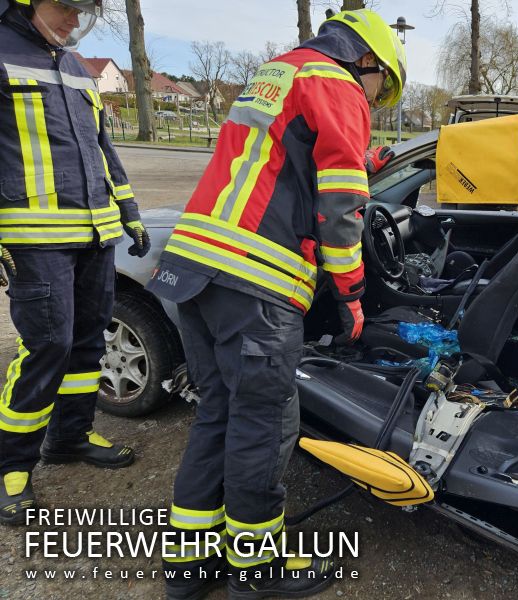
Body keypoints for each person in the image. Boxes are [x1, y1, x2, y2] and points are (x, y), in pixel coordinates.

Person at [145, 9, 406, 599]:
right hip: (254, 281)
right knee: (265, 426)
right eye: (380, 87)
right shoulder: (339, 82)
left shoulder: (277, 73)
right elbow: (342, 210)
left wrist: (360, 162)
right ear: (367, 60)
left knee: (219, 413)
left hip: (192, 264)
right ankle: (258, 576)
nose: (375, 99)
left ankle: (188, 573)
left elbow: (271, 166)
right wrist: (352, 297)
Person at [0, 0, 147, 526]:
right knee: (49, 347)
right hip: (33, 239)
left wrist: (129, 213)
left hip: (96, 233)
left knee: (89, 340)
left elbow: (103, 147)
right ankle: (10, 466)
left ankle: (69, 436)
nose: (72, 22)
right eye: (64, 8)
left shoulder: (74, 64)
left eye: (81, 13)